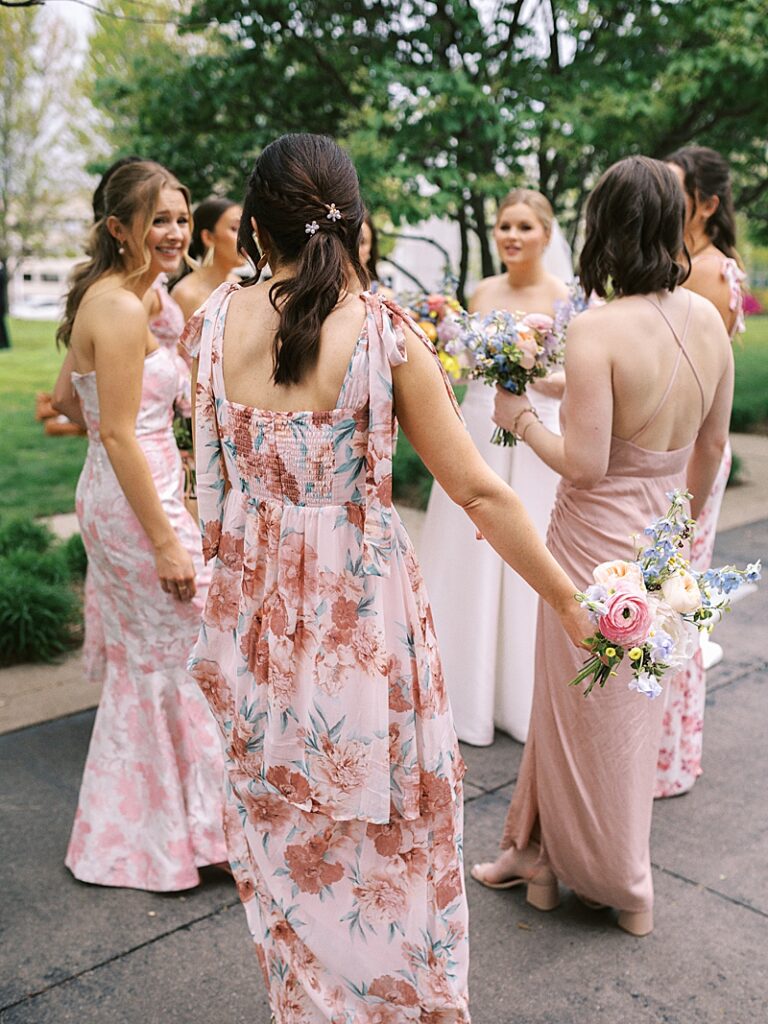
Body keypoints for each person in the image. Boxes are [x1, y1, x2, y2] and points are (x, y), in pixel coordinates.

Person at [183, 133, 589, 1019]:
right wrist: (570, 599)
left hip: (255, 618)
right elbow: (480, 489)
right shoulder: (381, 336)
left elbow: (202, 481)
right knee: (388, 837)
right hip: (358, 627)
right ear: (355, 222)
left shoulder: (213, 321)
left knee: (282, 831)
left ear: (253, 227)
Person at [472, 156, 733, 937]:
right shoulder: (710, 322)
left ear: (604, 228)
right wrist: (674, 541)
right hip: (655, 551)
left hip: (588, 547)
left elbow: (583, 463)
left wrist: (516, 416)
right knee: (608, 717)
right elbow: (710, 450)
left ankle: (622, 883)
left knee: (581, 712)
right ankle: (539, 861)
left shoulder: (597, 327)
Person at [57, 160, 228, 891]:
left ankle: (161, 832)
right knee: (183, 652)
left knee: (158, 663)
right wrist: (164, 536)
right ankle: (187, 837)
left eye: (181, 219)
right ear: (117, 228)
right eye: (158, 219)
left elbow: (67, 399)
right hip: (136, 505)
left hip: (126, 487)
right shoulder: (121, 307)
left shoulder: (140, 298)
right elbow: (121, 434)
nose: (175, 232)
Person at [419, 189, 572, 746]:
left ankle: (523, 696)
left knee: (529, 551)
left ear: (546, 235)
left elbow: (573, 378)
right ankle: (465, 692)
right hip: (480, 432)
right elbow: (460, 367)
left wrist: (525, 372)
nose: (511, 236)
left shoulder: (563, 296)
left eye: (524, 227)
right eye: (505, 225)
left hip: (535, 436)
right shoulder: (482, 291)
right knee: (470, 556)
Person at [656, 145, 747, 798]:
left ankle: (665, 758)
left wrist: (683, 504)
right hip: (666, 453)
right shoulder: (677, 265)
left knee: (673, 604)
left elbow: (702, 397)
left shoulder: (709, 275)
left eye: (675, 189)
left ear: (707, 204)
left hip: (689, 457)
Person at [171, 196, 244, 320]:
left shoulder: (237, 283)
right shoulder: (185, 294)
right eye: (235, 229)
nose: (244, 237)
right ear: (208, 237)